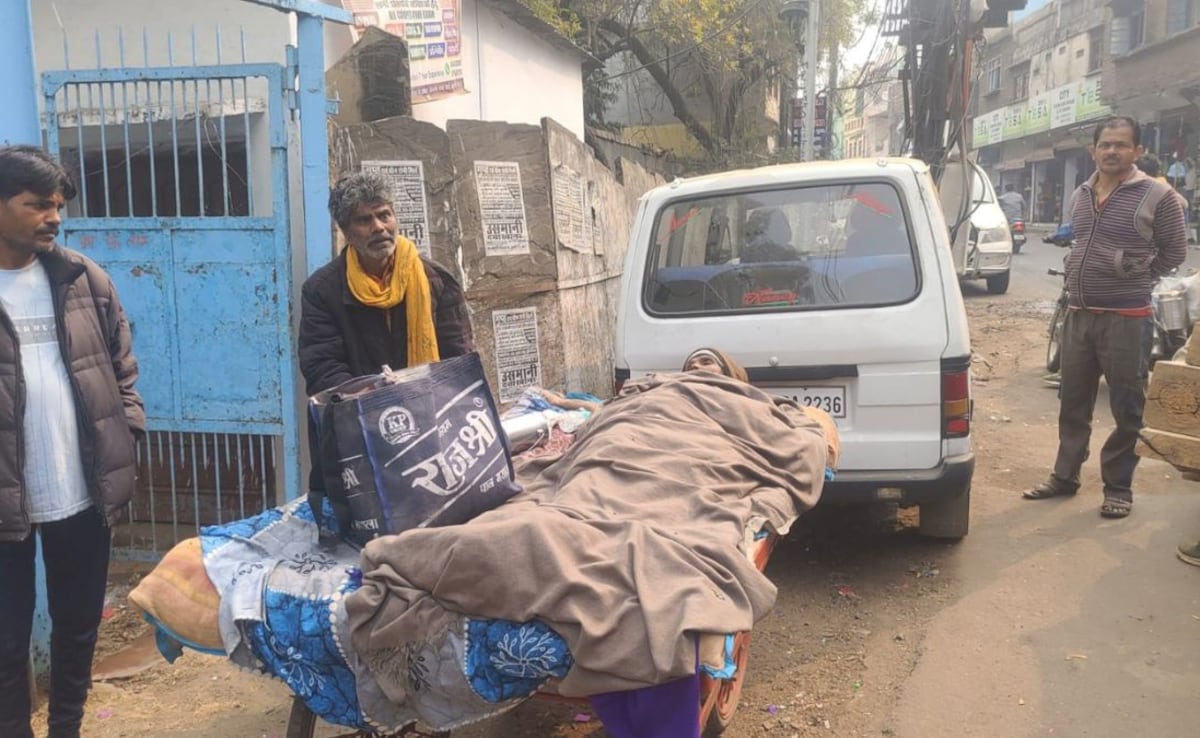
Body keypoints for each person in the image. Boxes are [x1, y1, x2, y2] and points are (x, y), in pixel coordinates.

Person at [0, 145, 145, 738]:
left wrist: (127, 432)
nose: (53, 217)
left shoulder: (83, 278)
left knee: (79, 622)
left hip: (81, 486)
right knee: (7, 634)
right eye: (37, 205)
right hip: (6, 492)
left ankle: (67, 727)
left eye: (57, 206)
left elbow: (122, 366)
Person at [1023, 117, 1188, 518]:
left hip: (1127, 318)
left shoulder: (1156, 196)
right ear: (1093, 150)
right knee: (1072, 403)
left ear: (1138, 151)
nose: (1112, 151)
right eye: (1106, 145)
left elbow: (1175, 252)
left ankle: (1118, 487)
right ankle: (1065, 477)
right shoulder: (1081, 194)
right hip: (1078, 315)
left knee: (1127, 407)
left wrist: (1133, 273)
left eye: (1122, 145)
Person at [298, 170, 473, 396]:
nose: (379, 227)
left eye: (384, 215)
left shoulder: (437, 280)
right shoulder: (322, 290)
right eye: (364, 220)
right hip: (359, 416)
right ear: (346, 232)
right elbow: (322, 365)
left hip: (430, 409)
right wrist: (376, 395)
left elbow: (458, 357)